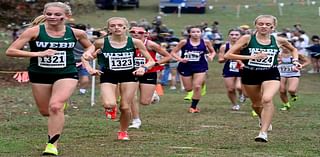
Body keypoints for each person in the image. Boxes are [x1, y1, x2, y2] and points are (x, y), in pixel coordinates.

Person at [5, 2, 95, 156]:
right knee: (45, 111)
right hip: (40, 74)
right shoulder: (34, 31)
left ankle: (52, 145)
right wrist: (37, 54)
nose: (52, 17)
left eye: (57, 14)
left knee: (55, 106)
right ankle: (60, 106)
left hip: (66, 72)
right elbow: (10, 51)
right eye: (49, 14)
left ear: (66, 16)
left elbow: (90, 46)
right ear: (44, 14)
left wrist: (88, 54)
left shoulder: (76, 33)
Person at [224, 15, 301, 142]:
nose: (264, 26)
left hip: (271, 73)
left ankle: (263, 133)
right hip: (250, 74)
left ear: (273, 26)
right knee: (256, 104)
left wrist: (295, 61)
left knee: (267, 99)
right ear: (256, 25)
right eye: (260, 24)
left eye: (267, 24)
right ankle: (263, 118)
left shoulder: (278, 40)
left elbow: (293, 49)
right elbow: (228, 55)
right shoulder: (247, 38)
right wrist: (252, 57)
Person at [82, 17, 155, 140]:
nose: (117, 27)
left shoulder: (135, 42)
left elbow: (151, 61)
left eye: (120, 25)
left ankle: (123, 131)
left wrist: (144, 68)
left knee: (125, 107)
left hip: (129, 75)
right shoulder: (101, 42)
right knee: (109, 103)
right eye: (113, 25)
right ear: (109, 28)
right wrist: (90, 68)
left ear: (125, 28)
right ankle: (111, 107)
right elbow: (85, 56)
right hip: (108, 74)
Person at [128, 26, 171, 129]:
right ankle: (136, 120)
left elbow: (168, 56)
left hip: (149, 72)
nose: (136, 34)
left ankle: (153, 95)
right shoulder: (127, 43)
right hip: (131, 72)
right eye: (133, 32)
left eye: (140, 32)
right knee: (132, 96)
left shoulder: (150, 44)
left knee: (145, 102)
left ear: (145, 34)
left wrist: (156, 63)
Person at [171, 25, 216, 113]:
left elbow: (213, 51)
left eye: (198, 32)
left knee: (197, 86)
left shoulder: (205, 42)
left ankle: (193, 107)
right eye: (193, 32)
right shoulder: (184, 42)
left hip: (200, 66)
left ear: (201, 33)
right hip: (185, 66)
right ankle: (198, 85)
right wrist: (180, 59)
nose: (196, 34)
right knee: (188, 89)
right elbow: (173, 52)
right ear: (189, 33)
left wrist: (211, 56)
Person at [218, 28, 245, 111]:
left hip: (242, 68)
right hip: (229, 68)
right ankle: (235, 104)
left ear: (241, 36)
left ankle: (241, 94)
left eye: (236, 35)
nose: (234, 36)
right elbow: (220, 60)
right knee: (230, 89)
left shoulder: (245, 46)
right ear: (229, 36)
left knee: (239, 87)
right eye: (232, 34)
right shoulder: (224, 46)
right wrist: (227, 57)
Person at [278, 44, 310, 110]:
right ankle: (286, 105)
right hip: (281, 74)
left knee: (291, 90)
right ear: (281, 46)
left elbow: (308, 61)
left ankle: (293, 95)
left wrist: (301, 66)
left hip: (293, 73)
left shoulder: (295, 54)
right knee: (282, 90)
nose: (285, 48)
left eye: (286, 46)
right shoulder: (278, 54)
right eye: (283, 46)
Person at [72, 24, 91, 94]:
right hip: (72, 62)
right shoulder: (71, 39)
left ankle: (81, 91)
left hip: (83, 61)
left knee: (85, 79)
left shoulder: (88, 39)